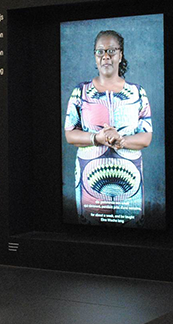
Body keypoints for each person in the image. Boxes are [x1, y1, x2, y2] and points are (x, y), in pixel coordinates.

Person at [64, 30, 152, 227]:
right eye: (100, 51)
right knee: (91, 234)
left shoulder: (138, 93)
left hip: (130, 182)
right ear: (95, 57)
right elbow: (70, 134)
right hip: (90, 181)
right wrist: (97, 138)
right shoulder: (81, 92)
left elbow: (146, 136)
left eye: (111, 50)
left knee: (132, 235)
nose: (106, 56)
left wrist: (123, 141)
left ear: (121, 55)